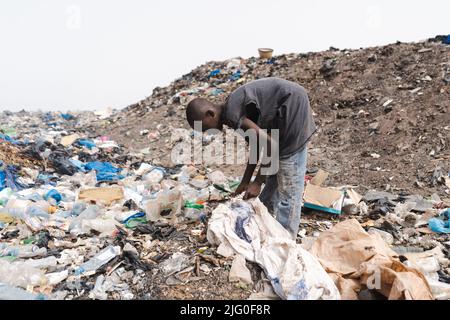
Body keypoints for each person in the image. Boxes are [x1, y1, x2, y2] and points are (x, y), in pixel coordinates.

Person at [185, 77, 316, 238]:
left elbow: (270, 146)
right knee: (274, 170)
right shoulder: (230, 113)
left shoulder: (233, 114)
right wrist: (246, 181)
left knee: (289, 184)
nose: (206, 132)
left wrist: (257, 182)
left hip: (292, 106)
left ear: (210, 114)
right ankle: (264, 220)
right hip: (283, 111)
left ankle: (285, 242)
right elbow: (256, 145)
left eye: (204, 127)